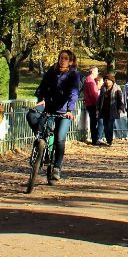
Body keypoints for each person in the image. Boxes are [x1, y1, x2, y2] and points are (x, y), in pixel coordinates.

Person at [28, 50, 82, 181]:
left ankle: (57, 167)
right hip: (49, 107)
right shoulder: (52, 71)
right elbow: (42, 86)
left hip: (64, 112)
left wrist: (70, 110)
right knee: (31, 115)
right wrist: (41, 98)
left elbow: (74, 93)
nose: (62, 60)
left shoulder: (74, 75)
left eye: (65, 58)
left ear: (70, 61)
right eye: (60, 58)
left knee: (59, 138)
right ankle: (41, 142)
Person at [97, 71, 122, 145]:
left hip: (113, 110)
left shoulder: (117, 88)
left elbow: (120, 99)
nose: (107, 81)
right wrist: (98, 109)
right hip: (104, 110)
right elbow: (100, 99)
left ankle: (109, 140)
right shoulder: (103, 88)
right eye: (105, 80)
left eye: (108, 80)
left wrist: (120, 108)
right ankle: (108, 139)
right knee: (105, 125)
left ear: (112, 81)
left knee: (110, 125)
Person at [82, 66, 102, 145]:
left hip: (90, 103)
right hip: (92, 104)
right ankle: (95, 139)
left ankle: (95, 139)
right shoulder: (90, 80)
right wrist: (98, 104)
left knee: (94, 122)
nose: (97, 73)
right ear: (92, 72)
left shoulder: (89, 80)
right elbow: (93, 94)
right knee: (94, 122)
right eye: (97, 71)